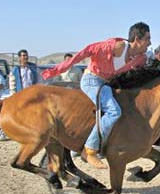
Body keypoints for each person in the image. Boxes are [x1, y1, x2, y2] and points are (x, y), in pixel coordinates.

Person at [41, 22, 151, 169]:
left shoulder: (140, 57)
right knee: (114, 111)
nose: (150, 43)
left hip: (105, 84)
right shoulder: (117, 47)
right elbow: (86, 51)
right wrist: (55, 71)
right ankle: (90, 150)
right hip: (91, 80)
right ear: (137, 39)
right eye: (147, 39)